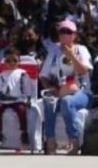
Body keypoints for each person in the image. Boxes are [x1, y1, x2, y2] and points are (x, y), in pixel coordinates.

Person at [40, 19, 93, 155]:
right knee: (49, 102)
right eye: (62, 31)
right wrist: (52, 88)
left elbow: (83, 71)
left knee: (67, 102)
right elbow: (44, 76)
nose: (64, 34)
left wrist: (72, 56)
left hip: (81, 92)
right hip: (60, 90)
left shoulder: (81, 50)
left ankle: (73, 140)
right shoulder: (53, 52)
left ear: (74, 35)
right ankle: (51, 141)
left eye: (68, 32)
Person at [0, 47, 31, 148]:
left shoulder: (23, 73)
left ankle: (24, 133)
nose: (11, 63)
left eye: (14, 60)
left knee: (22, 111)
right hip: (4, 100)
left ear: (19, 61)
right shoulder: (2, 74)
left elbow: (27, 86)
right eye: (8, 60)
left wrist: (29, 98)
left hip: (18, 99)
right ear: (5, 61)